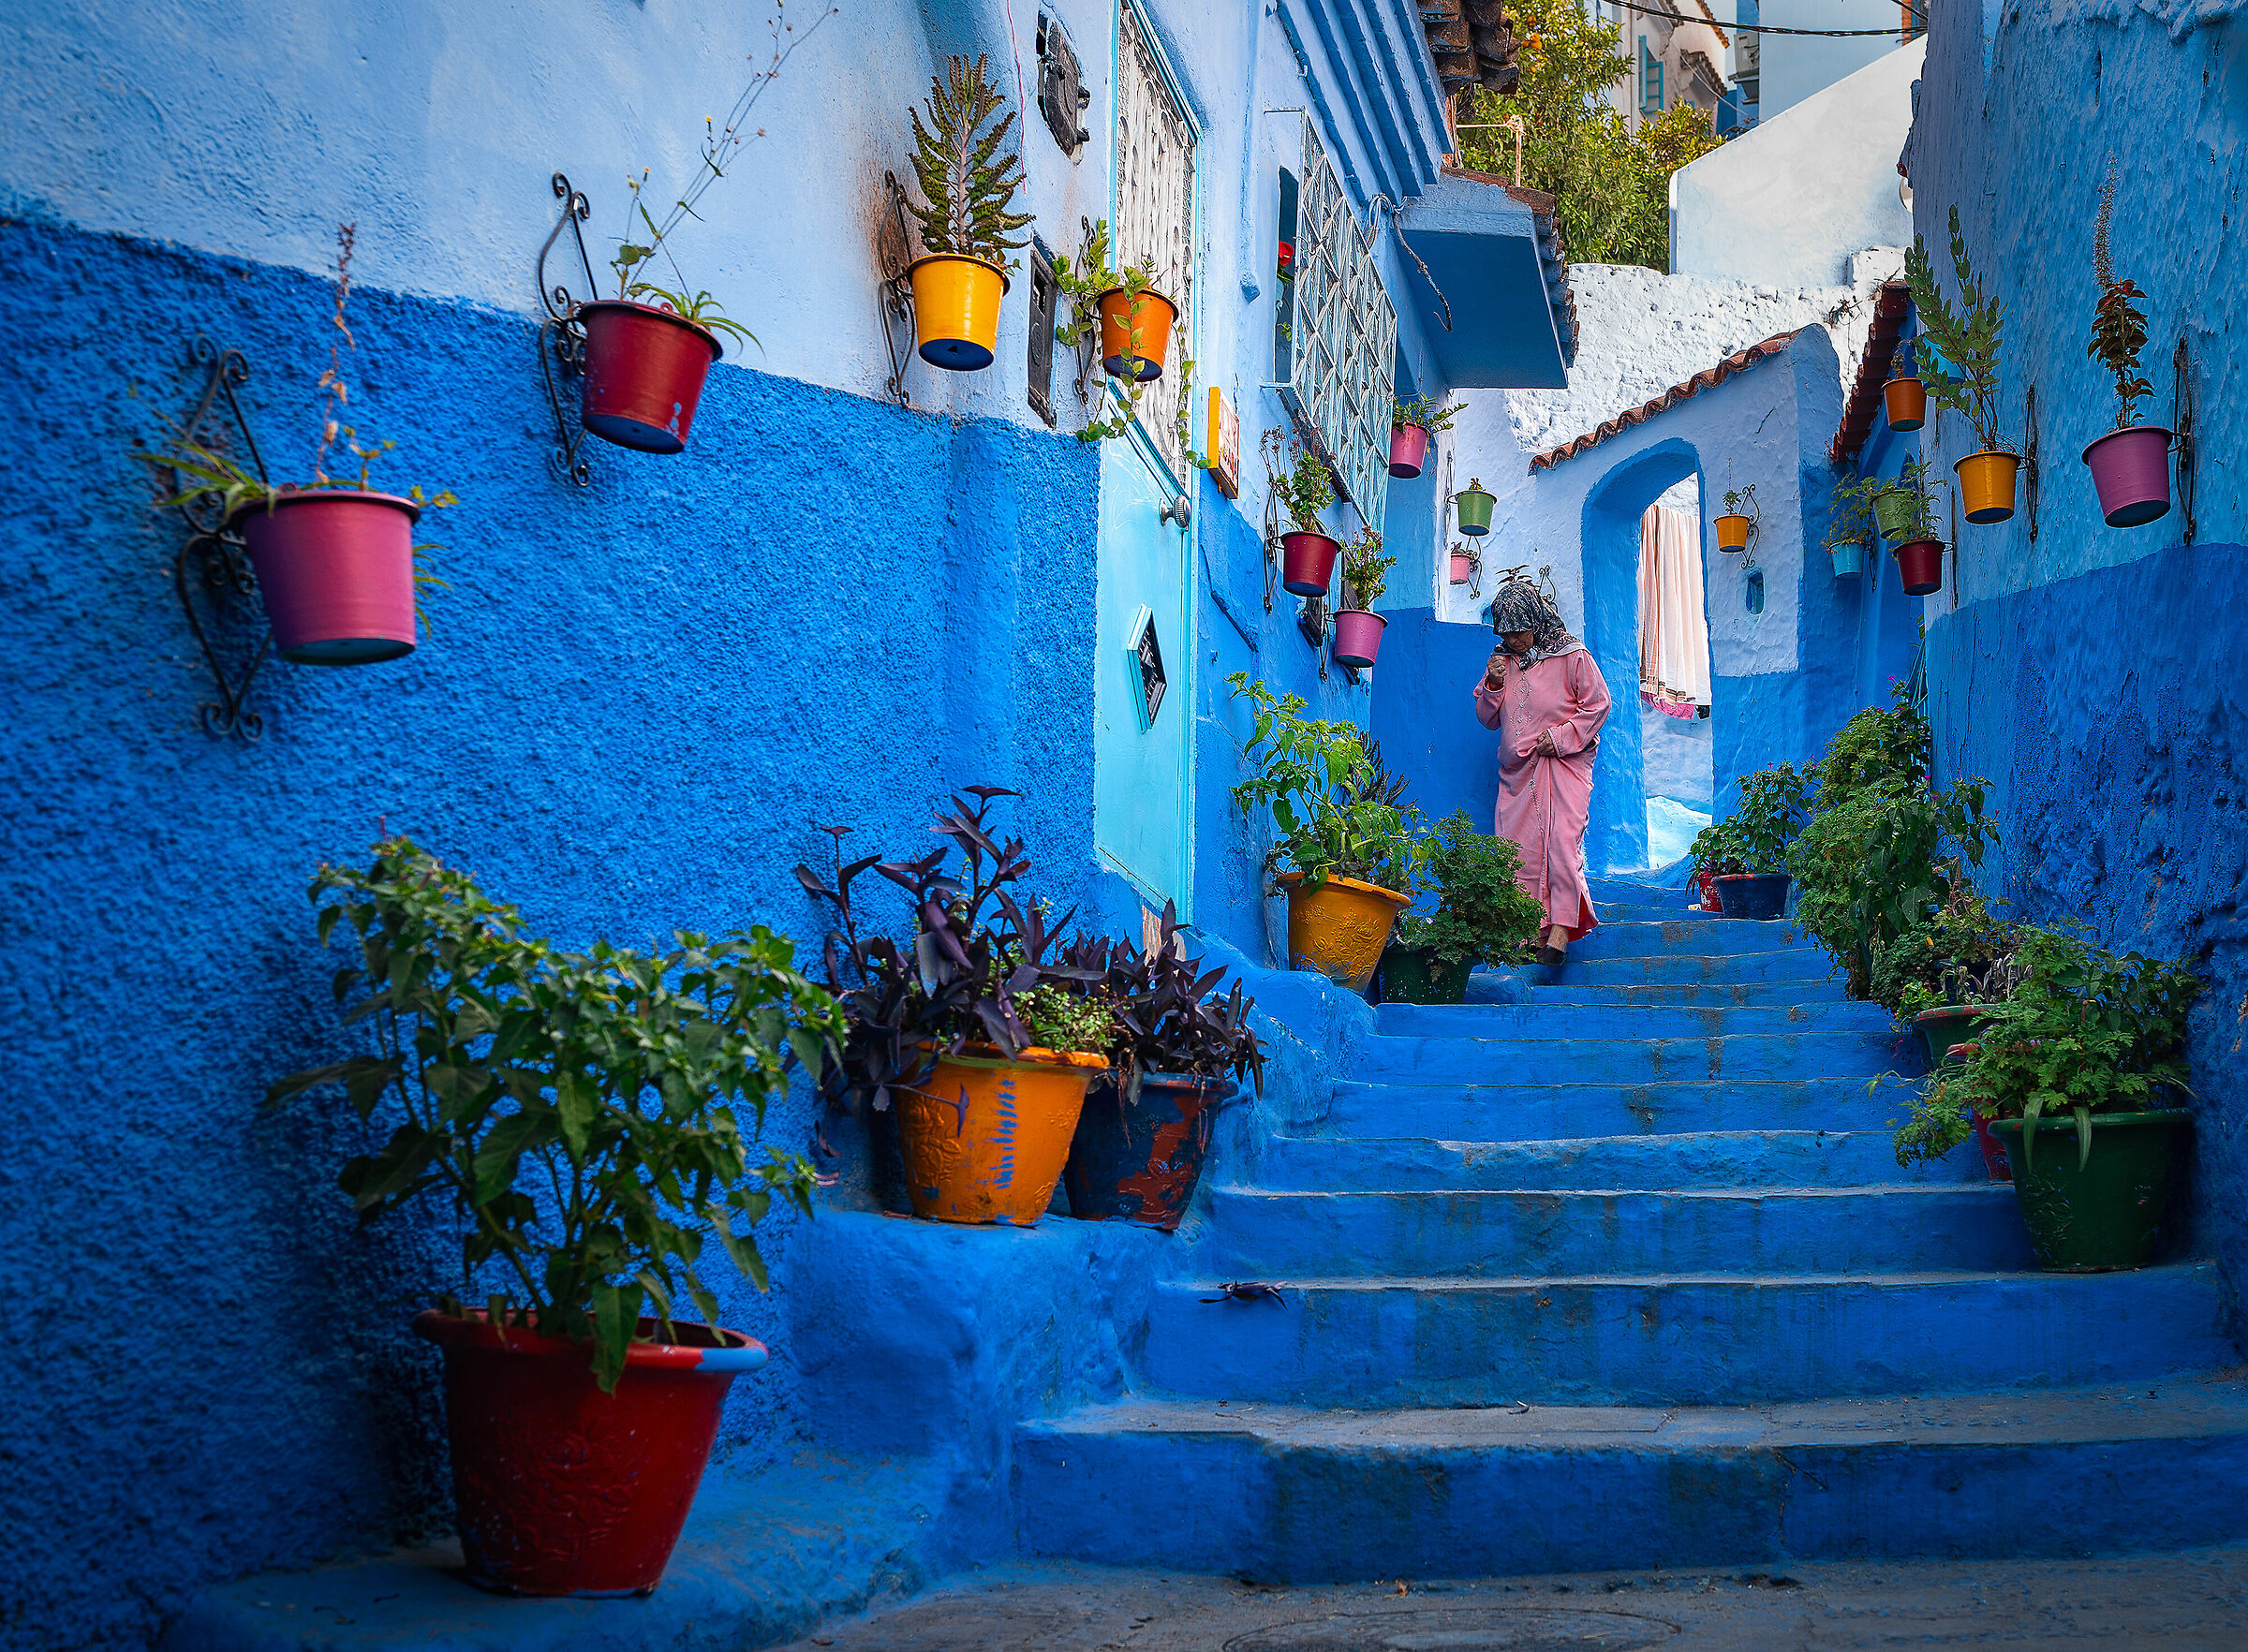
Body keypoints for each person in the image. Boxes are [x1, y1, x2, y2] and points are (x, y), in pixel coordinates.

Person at [1472, 575, 1612, 966]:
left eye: (1520, 631)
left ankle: (1561, 933)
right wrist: (1494, 684)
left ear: (1536, 620)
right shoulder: (1504, 664)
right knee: (1520, 854)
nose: (1514, 639)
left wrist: (1564, 737)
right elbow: (1487, 719)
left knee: (1562, 846)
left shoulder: (1571, 656)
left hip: (1565, 765)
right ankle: (1528, 934)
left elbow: (1598, 705)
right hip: (1517, 775)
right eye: (1506, 632)